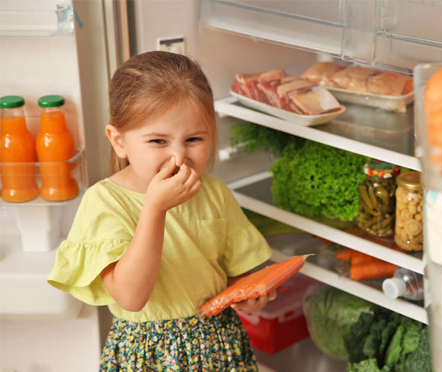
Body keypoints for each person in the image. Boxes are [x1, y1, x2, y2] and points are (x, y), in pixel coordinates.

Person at [48, 51, 275, 371]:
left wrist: (248, 292)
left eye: (194, 139)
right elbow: (131, 297)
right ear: (119, 141)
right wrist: (154, 209)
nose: (179, 157)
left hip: (220, 346)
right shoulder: (105, 202)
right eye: (158, 141)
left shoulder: (213, 193)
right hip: (148, 355)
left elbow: (235, 272)